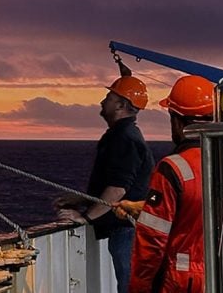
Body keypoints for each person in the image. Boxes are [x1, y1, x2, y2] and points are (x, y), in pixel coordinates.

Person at [114, 75, 214, 292]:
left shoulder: (173, 168)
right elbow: (197, 209)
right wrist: (139, 207)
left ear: (176, 120)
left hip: (182, 281)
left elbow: (151, 241)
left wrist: (138, 288)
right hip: (222, 275)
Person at [55, 76, 154, 293]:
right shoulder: (124, 135)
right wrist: (82, 199)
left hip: (126, 230)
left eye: (109, 96)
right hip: (129, 229)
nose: (102, 101)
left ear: (121, 105)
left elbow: (118, 188)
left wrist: (85, 217)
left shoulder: (124, 138)